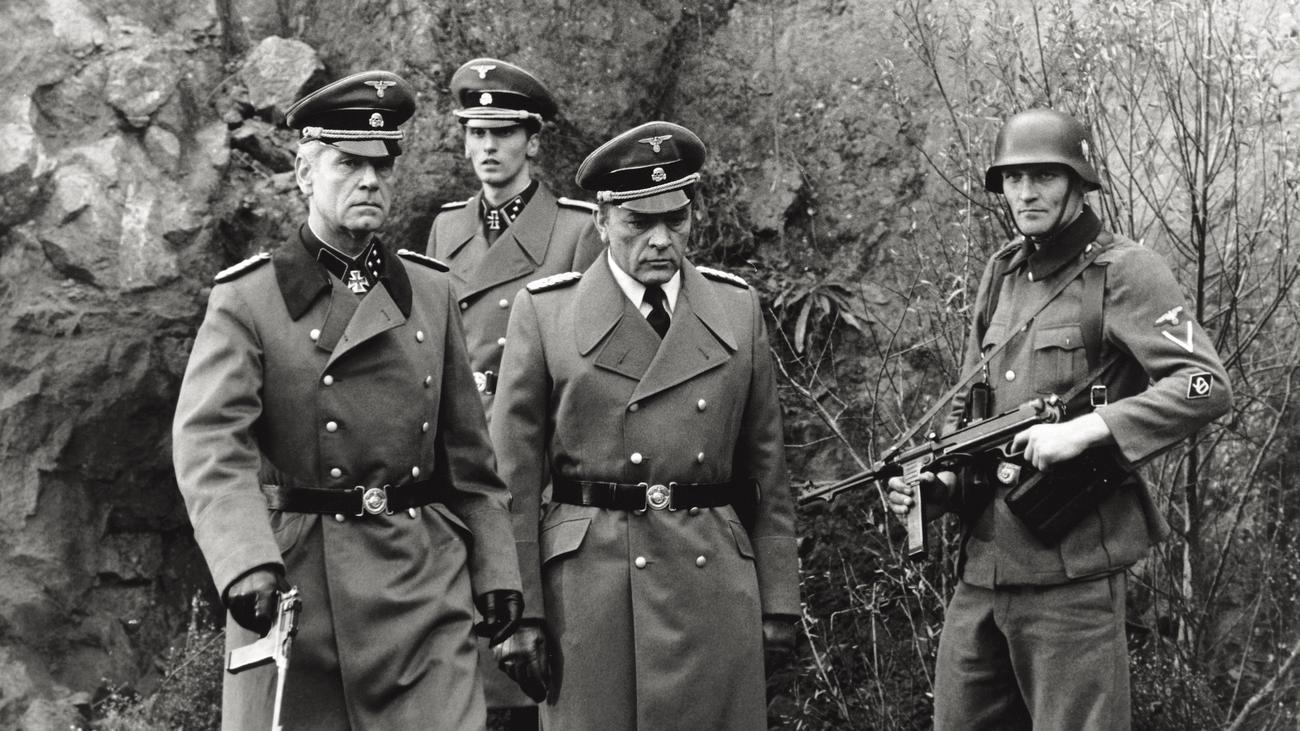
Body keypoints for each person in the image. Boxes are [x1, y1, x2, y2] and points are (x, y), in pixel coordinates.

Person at [172, 70, 523, 731]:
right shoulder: (249, 300)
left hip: (422, 583)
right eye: (348, 164)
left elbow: (470, 459)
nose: (369, 181)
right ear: (305, 175)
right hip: (300, 587)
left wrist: (497, 566)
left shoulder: (430, 291)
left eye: (382, 166)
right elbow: (210, 444)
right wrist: (245, 561)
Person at [887, 108, 1232, 730]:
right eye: (1013, 179)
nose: (1026, 193)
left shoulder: (1126, 271)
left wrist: (1085, 431)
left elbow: (1204, 385)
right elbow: (970, 416)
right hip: (982, 575)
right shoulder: (1002, 273)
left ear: (1078, 183)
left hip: (1071, 580)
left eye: (1044, 176)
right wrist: (938, 486)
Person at [487, 121, 800, 731]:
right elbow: (512, 483)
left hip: (713, 582)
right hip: (592, 592)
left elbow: (768, 471)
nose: (660, 240)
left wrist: (780, 600)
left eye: (675, 220)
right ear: (602, 221)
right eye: (638, 222)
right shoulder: (547, 314)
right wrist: (519, 612)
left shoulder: (736, 309)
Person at [427, 57, 603, 418]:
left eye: (504, 132)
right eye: (478, 133)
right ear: (466, 144)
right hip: (456, 427)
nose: (489, 146)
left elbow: (586, 365)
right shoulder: (446, 227)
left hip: (527, 426)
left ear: (532, 143)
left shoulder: (577, 230)